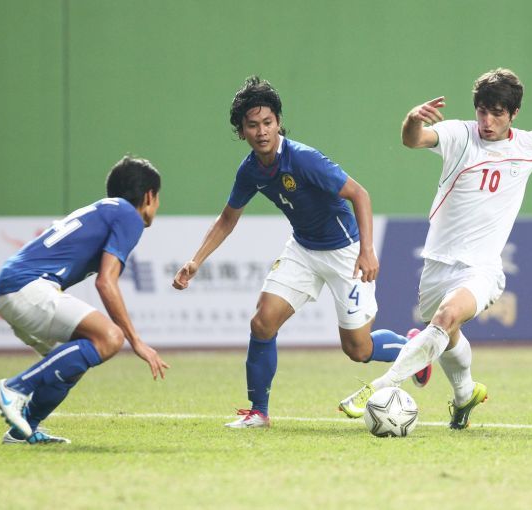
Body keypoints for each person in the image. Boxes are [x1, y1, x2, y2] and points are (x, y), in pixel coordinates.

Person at [338, 68, 532, 428]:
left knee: (445, 318)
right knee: (446, 336)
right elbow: (413, 140)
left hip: (482, 269)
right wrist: (413, 119)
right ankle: (465, 394)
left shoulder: (529, 146)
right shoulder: (459, 135)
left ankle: (381, 385)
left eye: (497, 113)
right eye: (482, 111)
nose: (487, 122)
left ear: (514, 114)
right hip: (437, 263)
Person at [172, 76, 430, 429]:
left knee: (358, 350)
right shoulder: (250, 170)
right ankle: (258, 412)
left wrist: (367, 251)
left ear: (278, 122)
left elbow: (360, 194)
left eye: (268, 122)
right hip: (303, 248)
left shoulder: (304, 159)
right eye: (253, 125)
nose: (262, 131)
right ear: (241, 131)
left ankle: (414, 349)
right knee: (262, 323)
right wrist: (195, 260)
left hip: (345, 252)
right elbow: (227, 219)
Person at [0, 156, 169, 444]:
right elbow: (106, 282)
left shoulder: (97, 212)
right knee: (110, 338)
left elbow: (15, 268)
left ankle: (23, 430)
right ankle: (14, 388)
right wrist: (136, 341)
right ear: (149, 196)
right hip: (30, 289)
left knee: (72, 364)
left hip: (11, 291)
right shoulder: (129, 215)